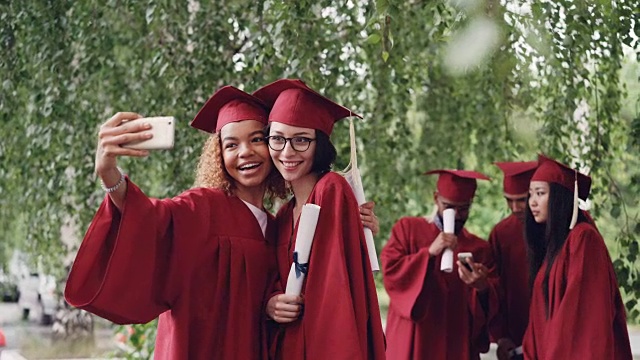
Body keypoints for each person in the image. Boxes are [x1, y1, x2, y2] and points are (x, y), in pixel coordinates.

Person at [65, 86, 286, 359]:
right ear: (218, 156)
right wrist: (109, 174)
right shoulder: (202, 207)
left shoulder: (277, 226)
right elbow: (150, 219)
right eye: (231, 144)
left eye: (256, 139)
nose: (245, 152)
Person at [253, 79, 386, 360]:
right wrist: (272, 303)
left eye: (301, 140)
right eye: (277, 138)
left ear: (320, 145)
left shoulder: (331, 189)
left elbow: (334, 296)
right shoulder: (284, 214)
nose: (287, 152)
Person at [381, 169, 499, 360]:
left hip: (456, 341)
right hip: (416, 337)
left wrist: (482, 287)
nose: (458, 215)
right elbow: (391, 272)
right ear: (436, 199)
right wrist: (428, 253)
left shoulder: (479, 248)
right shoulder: (407, 229)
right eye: (450, 207)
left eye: (464, 208)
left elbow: (491, 304)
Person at [522, 154, 632, 359]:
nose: (532, 202)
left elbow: (582, 315)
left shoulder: (583, 239)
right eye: (530, 194)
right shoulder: (554, 248)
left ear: (559, 198)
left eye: (540, 193)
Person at [488, 161, 538, 360]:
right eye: (509, 200)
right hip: (516, 335)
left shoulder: (556, 230)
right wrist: (500, 335)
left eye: (521, 200)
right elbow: (495, 287)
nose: (515, 207)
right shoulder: (501, 233)